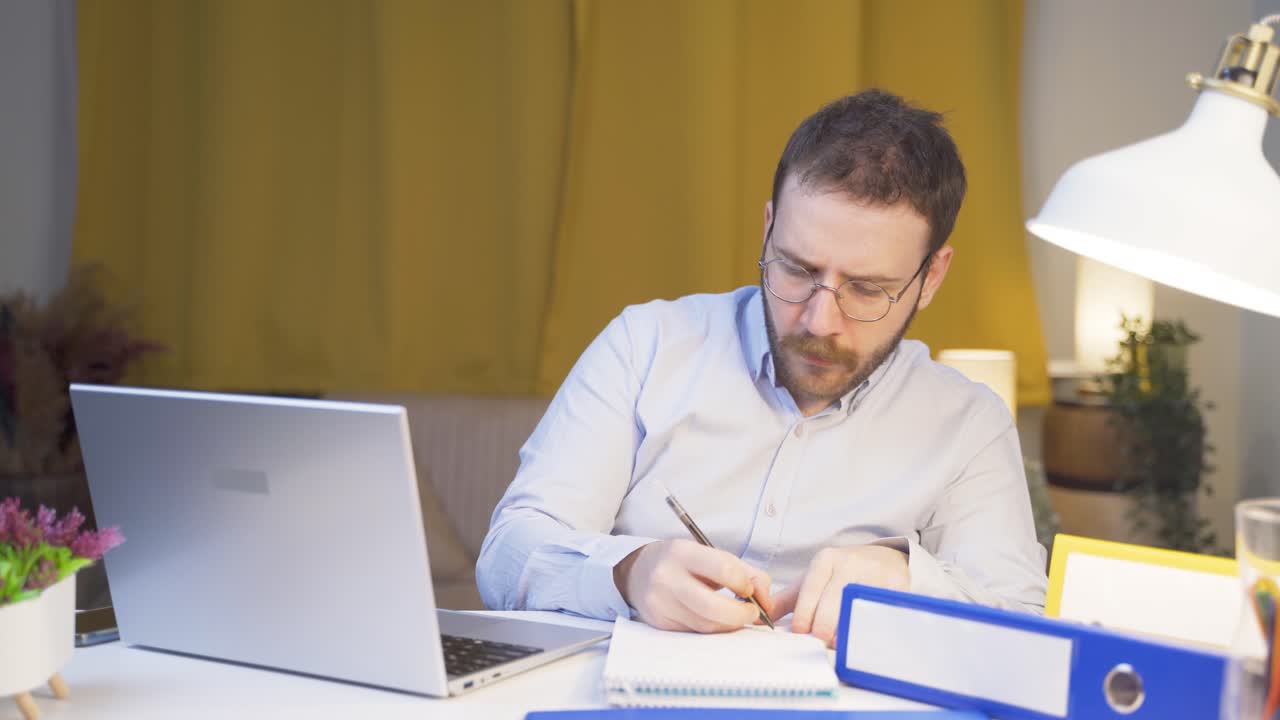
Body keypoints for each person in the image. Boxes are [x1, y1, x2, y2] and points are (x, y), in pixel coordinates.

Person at [476, 89, 1048, 646]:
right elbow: (506, 556)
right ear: (768, 226)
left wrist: (909, 579)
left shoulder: (969, 424)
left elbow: (1023, 627)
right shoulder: (645, 346)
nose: (820, 319)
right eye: (797, 269)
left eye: (869, 289)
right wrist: (629, 571)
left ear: (931, 278)